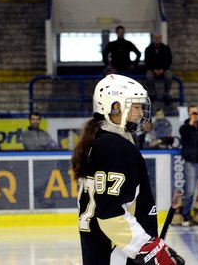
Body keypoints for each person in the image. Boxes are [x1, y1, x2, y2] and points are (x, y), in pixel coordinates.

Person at [70, 74, 184, 264]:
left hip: (103, 250)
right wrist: (147, 247)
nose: (141, 114)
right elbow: (110, 214)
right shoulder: (113, 147)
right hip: (118, 254)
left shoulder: (101, 140)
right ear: (115, 107)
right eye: (136, 107)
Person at [144, 33, 173, 105]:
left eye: (158, 37)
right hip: (152, 69)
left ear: (161, 38)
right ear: (153, 38)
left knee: (169, 75)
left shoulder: (166, 48)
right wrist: (154, 69)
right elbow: (147, 61)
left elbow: (169, 60)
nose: (157, 39)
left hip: (164, 69)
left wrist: (162, 69)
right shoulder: (148, 49)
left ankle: (166, 93)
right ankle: (152, 93)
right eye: (155, 37)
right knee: (148, 76)